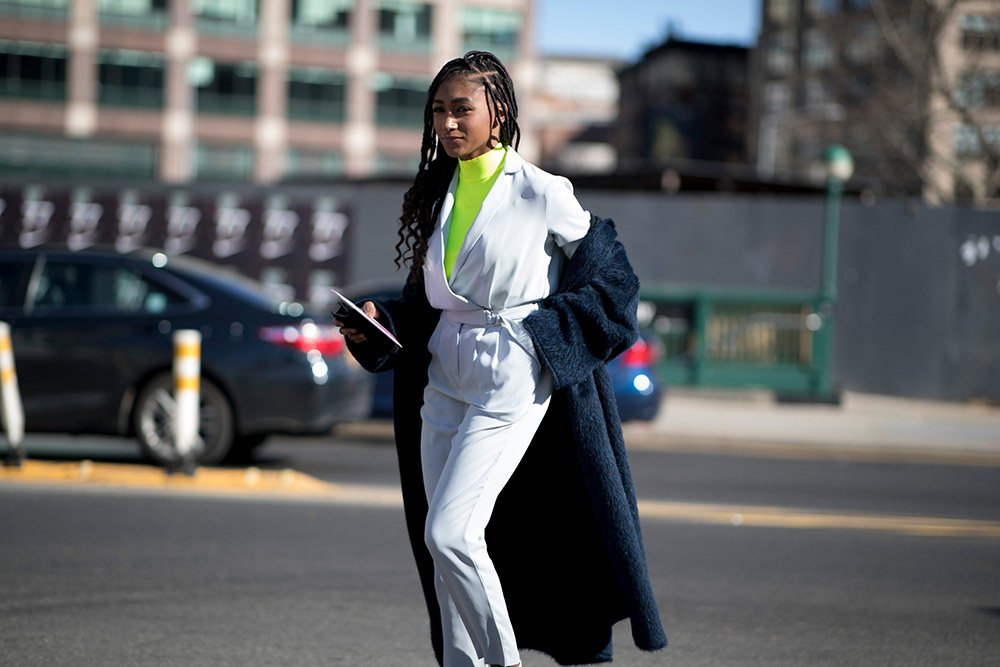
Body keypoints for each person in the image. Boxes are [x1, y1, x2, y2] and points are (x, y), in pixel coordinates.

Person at [338, 51, 666, 667]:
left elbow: (614, 277)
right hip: (441, 378)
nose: (448, 123)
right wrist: (385, 324)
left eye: (463, 109)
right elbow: (436, 302)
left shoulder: (543, 191)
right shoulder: (436, 193)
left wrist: (546, 339)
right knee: (442, 550)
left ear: (499, 112)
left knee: (451, 533)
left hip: (508, 377)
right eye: (439, 111)